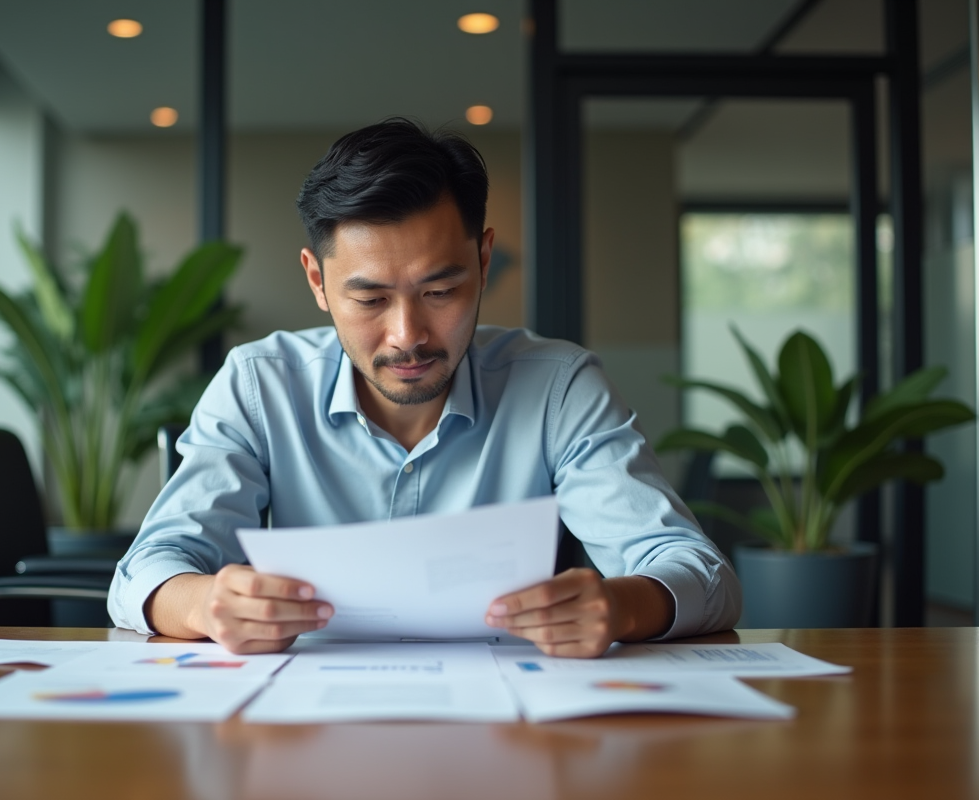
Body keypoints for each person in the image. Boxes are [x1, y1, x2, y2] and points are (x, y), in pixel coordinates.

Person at [108, 118, 740, 657]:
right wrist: (204, 602)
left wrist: (620, 606)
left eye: (440, 292)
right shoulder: (258, 384)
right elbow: (147, 570)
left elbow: (704, 575)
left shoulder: (558, 388)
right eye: (370, 298)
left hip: (516, 722)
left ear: (484, 262)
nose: (407, 335)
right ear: (317, 282)